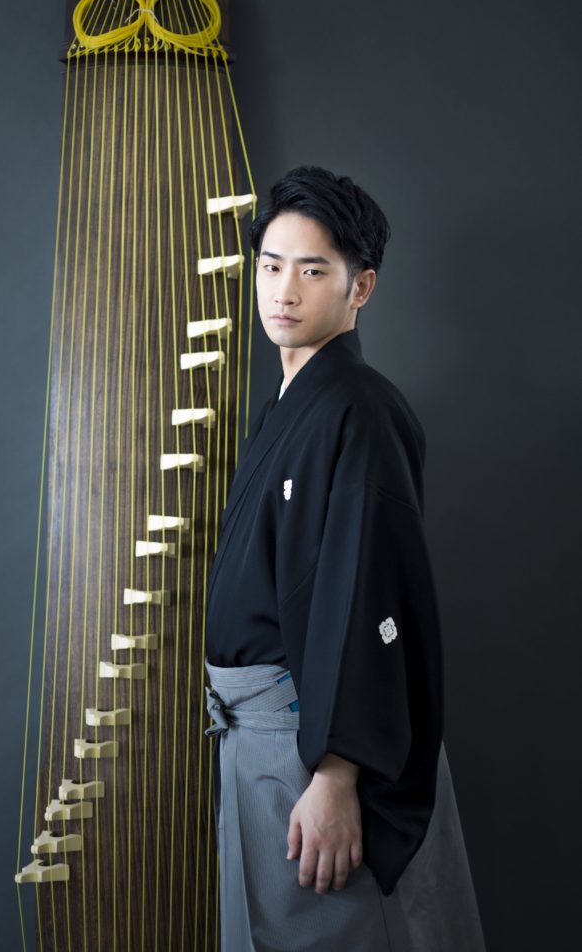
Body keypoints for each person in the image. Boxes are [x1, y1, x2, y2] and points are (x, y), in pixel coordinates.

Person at [203, 166, 486, 952]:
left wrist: (336, 775)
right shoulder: (286, 407)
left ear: (359, 287)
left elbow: (368, 594)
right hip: (258, 739)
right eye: (270, 266)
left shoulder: (360, 408)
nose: (283, 291)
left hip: (316, 741)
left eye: (312, 270)